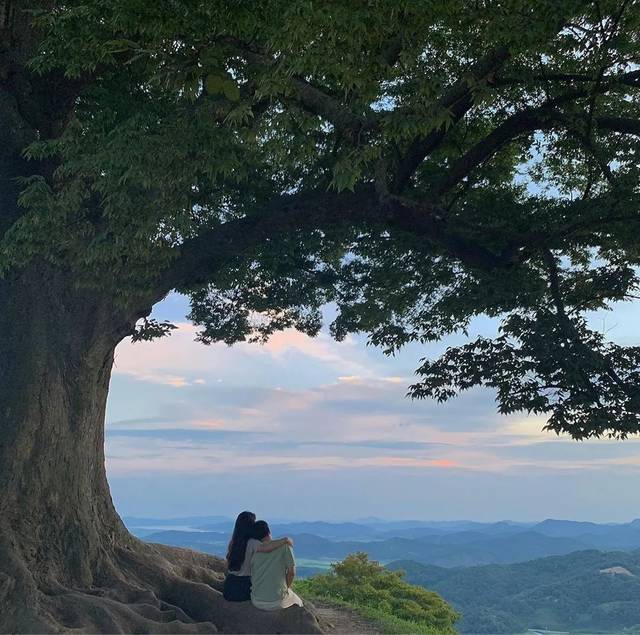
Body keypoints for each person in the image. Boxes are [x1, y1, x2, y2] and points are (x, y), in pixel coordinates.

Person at [223, 511, 292, 602]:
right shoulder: (252, 543)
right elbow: (267, 547)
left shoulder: (233, 542)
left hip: (229, 586)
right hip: (244, 587)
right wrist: (285, 540)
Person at [250, 520, 303, 610]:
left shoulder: (254, 550)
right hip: (277, 601)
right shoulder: (285, 546)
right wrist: (286, 588)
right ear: (269, 532)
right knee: (299, 602)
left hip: (256, 600)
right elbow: (291, 573)